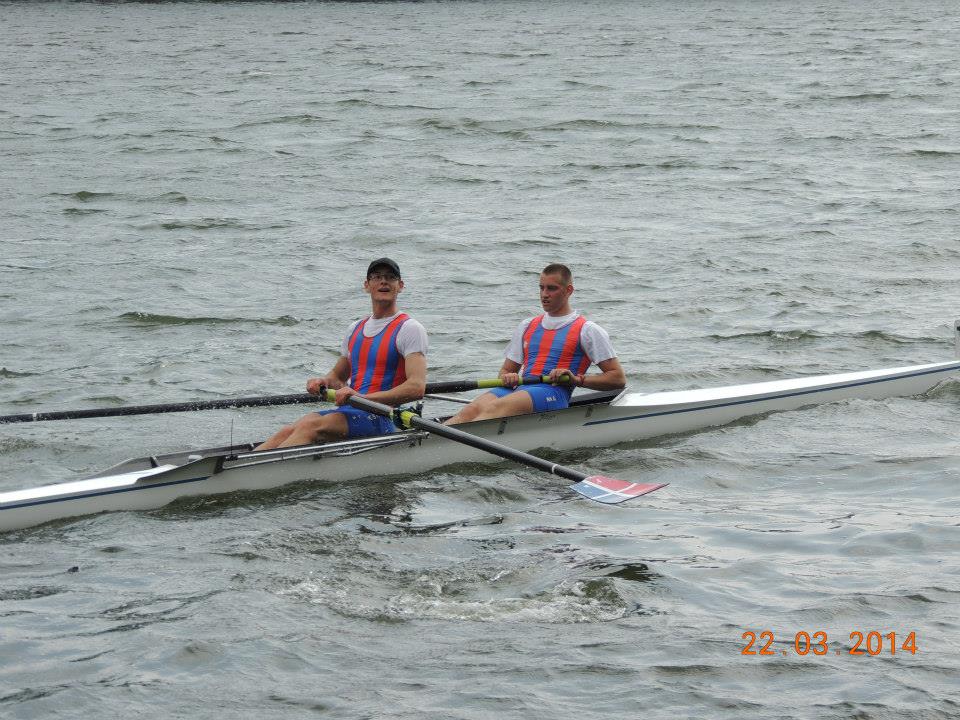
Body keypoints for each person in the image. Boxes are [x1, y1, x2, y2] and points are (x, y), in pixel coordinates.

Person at [256, 258, 427, 450]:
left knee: (311, 426)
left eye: (390, 277)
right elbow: (338, 377)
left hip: (384, 416)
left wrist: (363, 398)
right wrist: (323, 381)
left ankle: (270, 466)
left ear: (400, 286)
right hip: (352, 411)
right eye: (377, 277)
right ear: (367, 285)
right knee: (290, 429)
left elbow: (416, 388)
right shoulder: (355, 328)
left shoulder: (410, 328)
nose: (383, 282)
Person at [446, 263, 625, 425]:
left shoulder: (588, 330)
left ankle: (455, 443)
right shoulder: (527, 325)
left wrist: (576, 379)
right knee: (470, 410)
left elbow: (617, 379)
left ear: (569, 290)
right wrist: (507, 377)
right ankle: (435, 441)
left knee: (495, 408)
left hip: (553, 393)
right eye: (541, 288)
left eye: (552, 288)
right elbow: (506, 370)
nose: (544, 294)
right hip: (520, 389)